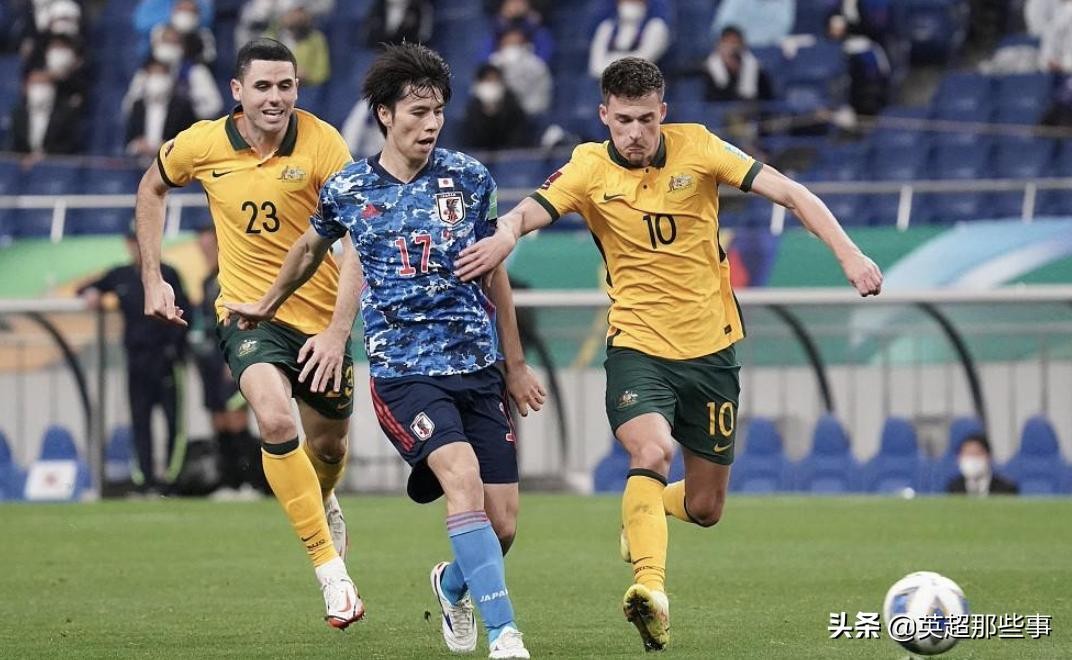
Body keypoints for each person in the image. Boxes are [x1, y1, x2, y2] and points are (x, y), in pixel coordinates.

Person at [454, 56, 883, 651]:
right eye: (623, 120)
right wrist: (504, 233)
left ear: (663, 113)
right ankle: (650, 590)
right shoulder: (588, 167)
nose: (635, 133)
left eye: (646, 120)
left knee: (706, 507)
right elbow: (527, 211)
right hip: (638, 347)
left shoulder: (699, 147)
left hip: (712, 351)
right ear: (604, 115)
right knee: (651, 450)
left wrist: (849, 254)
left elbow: (789, 192)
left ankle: (644, 515)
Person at [225, 43, 546, 659]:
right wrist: (268, 302)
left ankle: (451, 585)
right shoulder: (350, 187)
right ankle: (506, 635)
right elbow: (310, 248)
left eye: (438, 111)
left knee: (502, 524)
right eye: (418, 112)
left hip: (478, 367)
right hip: (405, 374)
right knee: (463, 481)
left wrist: (515, 364)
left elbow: (494, 273)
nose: (431, 124)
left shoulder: (469, 179)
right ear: (384, 114)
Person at [134, 38, 364, 629]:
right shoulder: (203, 143)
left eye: (285, 85)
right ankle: (332, 576)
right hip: (247, 316)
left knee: (330, 449)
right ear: (237, 91)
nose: (275, 97)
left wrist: (339, 330)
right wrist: (153, 279)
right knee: (277, 422)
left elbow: (357, 240)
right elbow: (151, 187)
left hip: (321, 326)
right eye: (262, 86)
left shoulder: (324, 143)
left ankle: (323, 498)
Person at [78, 230, 190, 494]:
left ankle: (172, 480)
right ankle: (145, 479)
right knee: (140, 420)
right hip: (137, 361)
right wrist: (93, 293)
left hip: (165, 359)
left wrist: (174, 350)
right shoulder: (120, 275)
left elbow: (187, 313)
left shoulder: (169, 274)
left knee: (173, 422)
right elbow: (85, 288)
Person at [190, 224, 266, 497]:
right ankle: (228, 481)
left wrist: (232, 358)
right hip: (210, 362)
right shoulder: (206, 281)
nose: (206, 252)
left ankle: (249, 482)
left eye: (209, 246)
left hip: (230, 358)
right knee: (219, 419)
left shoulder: (233, 278)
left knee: (237, 419)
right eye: (202, 247)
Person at [125, 57, 198, 157]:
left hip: (171, 161)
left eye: (160, 75)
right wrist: (137, 145)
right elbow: (128, 141)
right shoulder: (137, 106)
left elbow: (190, 141)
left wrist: (167, 146)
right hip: (139, 161)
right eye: (153, 74)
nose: (156, 79)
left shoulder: (182, 108)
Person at [588, 0, 670, 78]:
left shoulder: (656, 26)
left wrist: (610, 61)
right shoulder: (607, 26)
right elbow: (596, 67)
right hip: (607, 84)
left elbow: (643, 61)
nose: (630, 2)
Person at [462, 64, 530, 150]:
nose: (492, 84)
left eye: (495, 80)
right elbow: (471, 140)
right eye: (488, 80)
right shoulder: (472, 108)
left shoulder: (513, 106)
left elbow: (519, 137)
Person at [704, 25, 775, 103]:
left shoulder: (757, 71)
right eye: (728, 43)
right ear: (719, 46)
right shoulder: (706, 71)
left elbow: (767, 101)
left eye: (735, 43)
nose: (732, 49)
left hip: (749, 109)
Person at [946, 433, 1019, 496]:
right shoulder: (953, 488)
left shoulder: (1007, 489)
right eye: (968, 454)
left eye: (977, 453)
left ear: (989, 457)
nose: (972, 459)